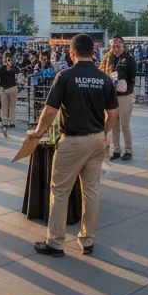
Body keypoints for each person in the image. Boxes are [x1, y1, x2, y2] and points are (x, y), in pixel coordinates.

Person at [28, 34, 118, 257]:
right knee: (91, 191)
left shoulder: (65, 76)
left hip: (73, 140)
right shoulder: (104, 78)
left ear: (72, 52)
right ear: (93, 52)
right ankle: (87, 240)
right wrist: (104, 133)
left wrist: (38, 132)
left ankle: (56, 242)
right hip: (97, 138)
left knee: (60, 191)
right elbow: (114, 114)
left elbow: (50, 110)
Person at [103, 36, 137, 161]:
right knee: (113, 125)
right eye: (113, 47)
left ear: (123, 46)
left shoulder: (129, 59)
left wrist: (125, 86)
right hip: (112, 96)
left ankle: (128, 150)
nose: (115, 49)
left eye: (118, 46)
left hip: (124, 96)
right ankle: (116, 150)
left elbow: (133, 76)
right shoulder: (109, 58)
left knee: (124, 125)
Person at [0, 53, 19, 128]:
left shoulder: (14, 67)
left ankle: (12, 122)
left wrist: (10, 66)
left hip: (12, 88)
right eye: (5, 58)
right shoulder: (1, 68)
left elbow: (17, 72)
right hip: (4, 88)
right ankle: (5, 122)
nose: (7, 60)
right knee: (4, 106)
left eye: (8, 58)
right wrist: (4, 66)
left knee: (12, 106)